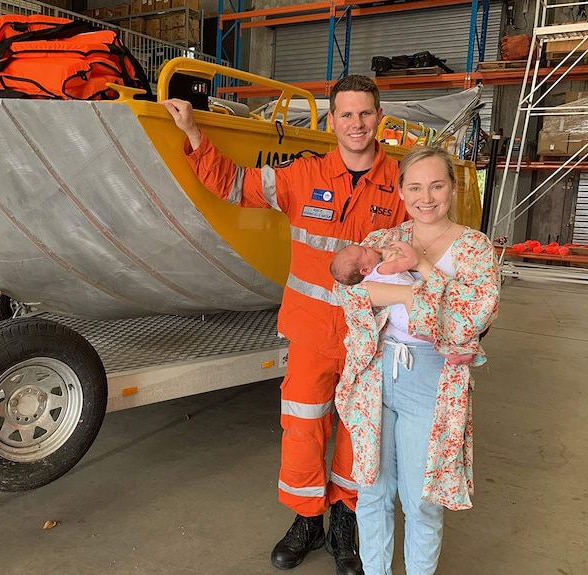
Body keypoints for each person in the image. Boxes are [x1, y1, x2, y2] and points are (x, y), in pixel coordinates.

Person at [164, 74, 406, 575]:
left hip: (372, 339)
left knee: (363, 434)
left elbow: (426, 244)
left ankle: (345, 520)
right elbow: (235, 184)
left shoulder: (402, 184)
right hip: (312, 332)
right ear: (333, 120)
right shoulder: (303, 175)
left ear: (378, 117)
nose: (356, 124)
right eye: (346, 114)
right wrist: (193, 135)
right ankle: (306, 518)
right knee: (302, 429)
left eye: (365, 113)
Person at [333, 146, 500, 575]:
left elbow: (472, 316)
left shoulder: (474, 247)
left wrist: (423, 267)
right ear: (402, 191)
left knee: (421, 500)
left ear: (453, 187)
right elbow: (349, 294)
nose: (426, 197)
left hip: (431, 375)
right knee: (370, 490)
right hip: (375, 373)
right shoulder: (383, 239)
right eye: (415, 187)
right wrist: (418, 295)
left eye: (437, 185)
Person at [330, 244, 475, 367]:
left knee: (429, 336)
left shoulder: (367, 280)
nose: (368, 246)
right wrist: (401, 248)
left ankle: (448, 352)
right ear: (365, 270)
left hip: (398, 317)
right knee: (437, 327)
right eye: (365, 251)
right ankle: (451, 350)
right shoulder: (382, 269)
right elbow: (411, 260)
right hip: (408, 311)